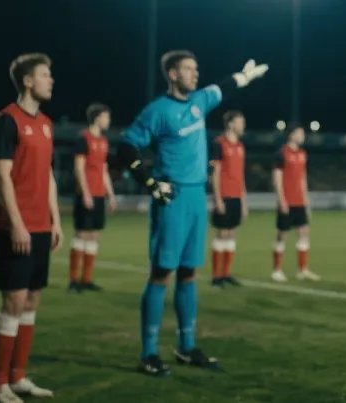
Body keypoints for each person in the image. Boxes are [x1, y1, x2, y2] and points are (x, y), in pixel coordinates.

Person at [118, 50, 268, 377]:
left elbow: (224, 87)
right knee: (162, 274)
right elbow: (126, 145)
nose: (195, 74)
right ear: (172, 74)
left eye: (196, 69)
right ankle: (148, 352)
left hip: (197, 198)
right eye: (188, 69)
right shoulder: (157, 111)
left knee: (189, 273)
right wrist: (149, 181)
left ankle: (186, 347)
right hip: (172, 198)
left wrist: (245, 76)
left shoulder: (200, 100)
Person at [0, 53, 63, 403]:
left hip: (41, 226)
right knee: (13, 301)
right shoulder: (7, 120)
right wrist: (17, 224)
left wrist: (56, 219)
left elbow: (47, 175)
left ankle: (18, 378)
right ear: (28, 81)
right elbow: (1, 175)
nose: (51, 80)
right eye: (45, 75)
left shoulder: (47, 123)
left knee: (32, 300)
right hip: (13, 227)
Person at [68, 103, 117, 293]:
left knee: (94, 235)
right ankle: (73, 281)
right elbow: (79, 168)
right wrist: (85, 193)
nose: (108, 121)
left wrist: (110, 195)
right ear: (97, 118)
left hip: (98, 195)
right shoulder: (83, 139)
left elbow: (103, 170)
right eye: (106, 117)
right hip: (85, 195)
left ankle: (86, 280)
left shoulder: (104, 141)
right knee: (81, 234)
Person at [270, 125, 318, 282]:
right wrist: (281, 200)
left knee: (304, 233)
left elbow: (303, 179)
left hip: (299, 201)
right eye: (299, 133)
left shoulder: (303, 154)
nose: (302, 136)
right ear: (291, 135)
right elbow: (277, 179)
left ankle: (302, 270)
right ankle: (276, 270)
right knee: (282, 235)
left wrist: (306, 202)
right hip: (287, 201)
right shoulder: (281, 153)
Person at [209, 110, 248, 288]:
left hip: (236, 197)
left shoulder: (240, 146)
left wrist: (244, 201)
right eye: (240, 122)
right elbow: (215, 173)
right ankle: (216, 276)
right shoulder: (218, 144)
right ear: (231, 124)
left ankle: (226, 274)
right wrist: (217, 199)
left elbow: (241, 176)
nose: (243, 125)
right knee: (222, 233)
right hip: (223, 196)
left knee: (232, 233)